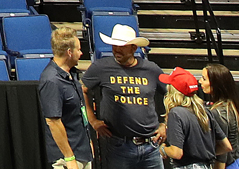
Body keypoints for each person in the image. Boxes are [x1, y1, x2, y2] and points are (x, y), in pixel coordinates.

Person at [82, 24, 165, 169]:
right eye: (114, 45)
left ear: (133, 48)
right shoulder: (101, 67)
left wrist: (165, 124)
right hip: (118, 145)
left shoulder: (152, 69)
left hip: (151, 145)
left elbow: (173, 95)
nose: (116, 49)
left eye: (122, 46)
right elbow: (82, 90)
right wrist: (93, 121)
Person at [38, 23, 96, 169]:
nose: (81, 53)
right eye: (79, 49)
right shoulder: (51, 80)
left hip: (81, 152)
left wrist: (87, 142)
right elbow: (53, 122)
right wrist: (69, 158)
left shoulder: (71, 73)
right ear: (69, 52)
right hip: (67, 160)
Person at [158, 68, 228, 166]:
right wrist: (203, 154)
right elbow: (226, 146)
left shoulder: (176, 113)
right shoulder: (205, 111)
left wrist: (162, 149)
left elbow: (176, 153)